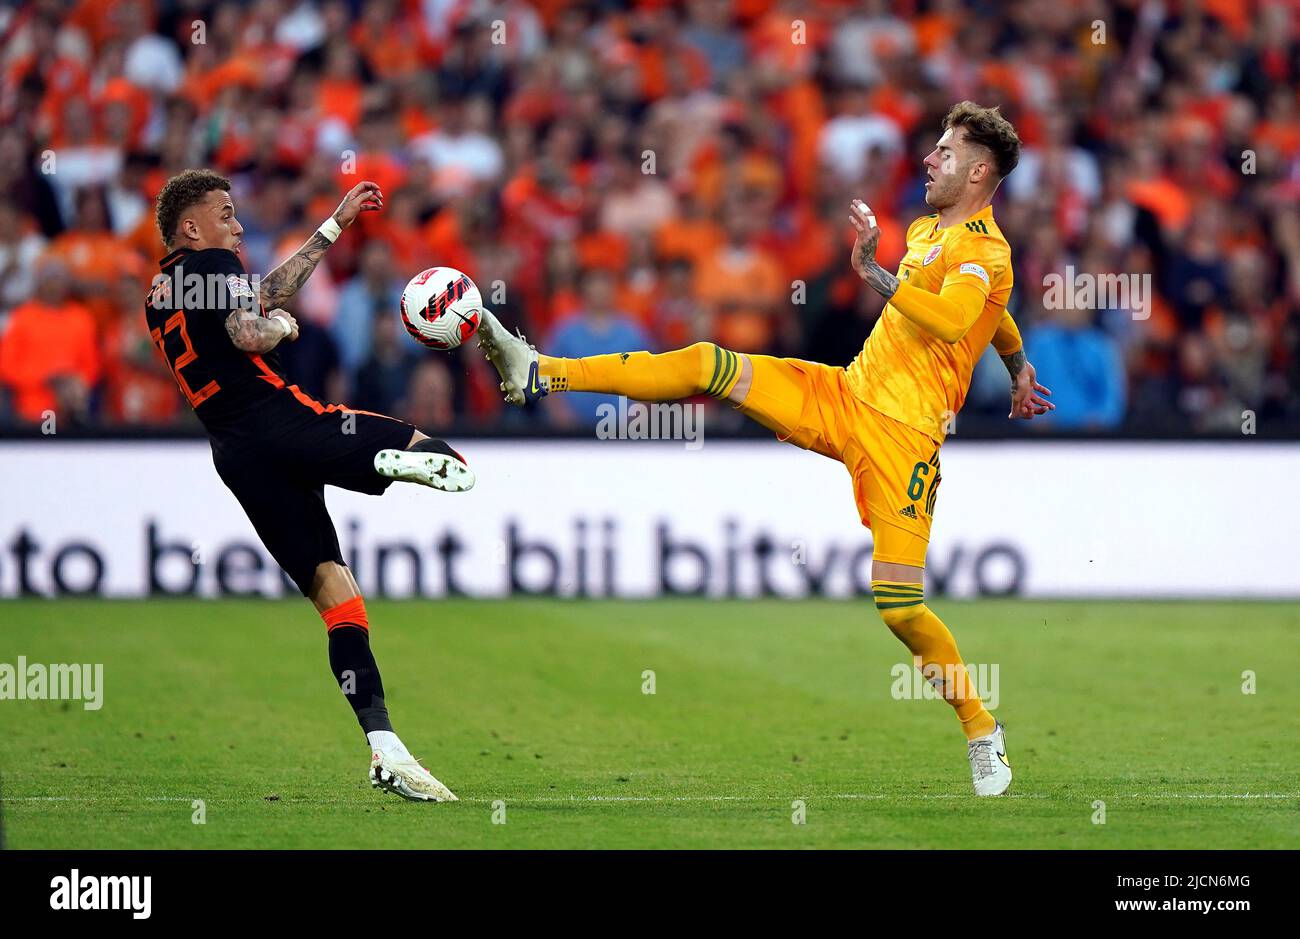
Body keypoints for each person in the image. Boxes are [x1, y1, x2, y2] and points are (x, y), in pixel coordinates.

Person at [479, 102, 1053, 797]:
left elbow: (963, 312)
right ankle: (540, 370)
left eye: (944, 151)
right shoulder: (932, 229)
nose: (930, 159)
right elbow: (993, 315)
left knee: (899, 606)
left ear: (980, 170)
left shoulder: (986, 251)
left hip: (906, 438)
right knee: (705, 362)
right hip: (842, 394)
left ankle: (979, 726)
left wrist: (878, 277)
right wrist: (1017, 363)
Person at [145, 169, 472, 802]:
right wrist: (286, 331)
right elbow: (252, 328)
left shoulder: (164, 288)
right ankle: (378, 466)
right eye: (226, 213)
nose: (237, 226)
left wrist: (333, 224)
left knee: (338, 599)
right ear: (193, 226)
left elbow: (261, 295)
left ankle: (385, 746)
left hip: (236, 454)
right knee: (440, 456)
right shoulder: (213, 260)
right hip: (280, 421)